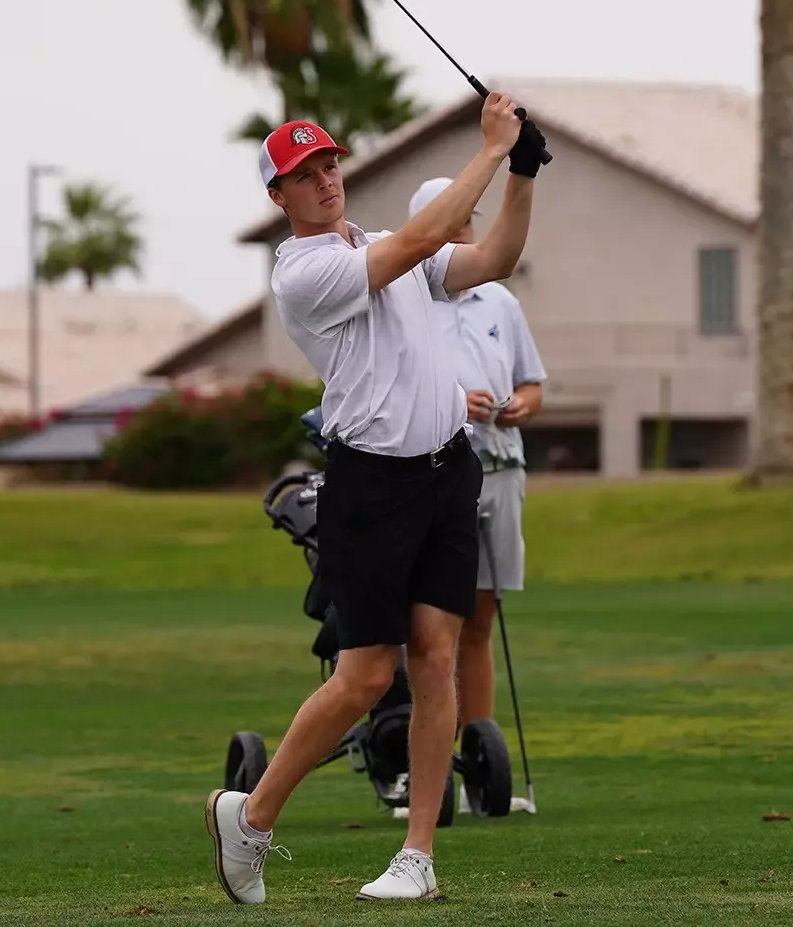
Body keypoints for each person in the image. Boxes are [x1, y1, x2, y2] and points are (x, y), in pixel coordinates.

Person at [204, 94, 550, 904]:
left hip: (446, 472)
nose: (325, 180)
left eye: (329, 165)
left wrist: (524, 174)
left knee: (435, 658)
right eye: (304, 174)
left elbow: (487, 259)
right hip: (372, 484)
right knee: (364, 677)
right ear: (278, 196)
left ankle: (417, 856)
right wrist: (492, 149)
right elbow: (430, 236)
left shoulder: (381, 245)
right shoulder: (307, 272)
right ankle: (250, 819)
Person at [404, 177, 547, 783]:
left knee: (481, 620)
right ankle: (425, 758)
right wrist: (455, 401)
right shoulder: (404, 295)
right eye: (454, 216)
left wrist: (521, 404)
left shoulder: (500, 301)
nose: (465, 227)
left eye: (469, 217)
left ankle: (479, 760)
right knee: (434, 624)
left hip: (500, 466)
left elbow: (533, 383)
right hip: (431, 471)